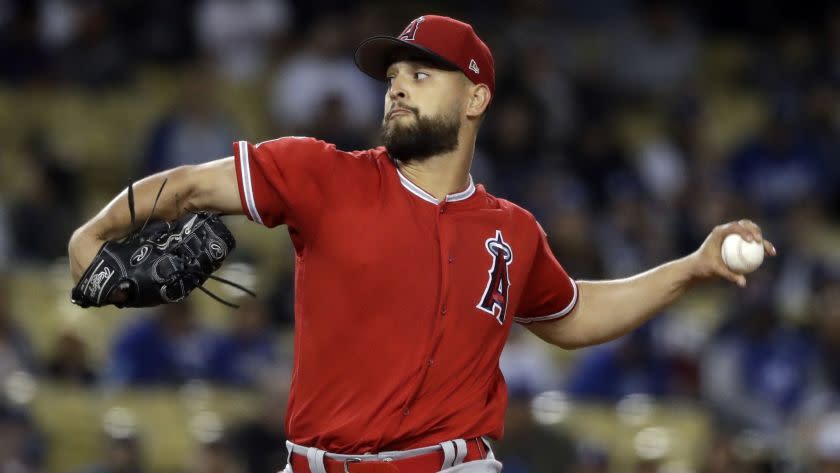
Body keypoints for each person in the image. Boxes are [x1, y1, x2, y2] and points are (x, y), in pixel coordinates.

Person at [68, 14, 775, 473]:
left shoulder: (512, 230)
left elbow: (573, 313)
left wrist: (691, 267)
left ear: (476, 99)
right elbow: (190, 186)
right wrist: (95, 232)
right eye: (394, 76)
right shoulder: (323, 174)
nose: (397, 89)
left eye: (421, 73)